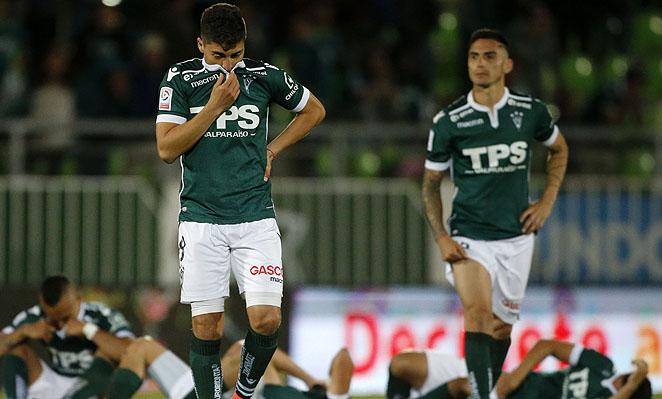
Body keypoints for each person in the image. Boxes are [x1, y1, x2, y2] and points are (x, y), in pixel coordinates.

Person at [154, 3, 325, 399]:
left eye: (235, 55)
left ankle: (243, 394)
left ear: (244, 46)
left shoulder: (264, 76)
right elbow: (166, 148)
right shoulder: (179, 79)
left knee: (266, 320)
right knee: (208, 328)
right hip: (201, 218)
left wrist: (274, 147)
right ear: (201, 45)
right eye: (218, 56)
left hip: (255, 217)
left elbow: (314, 110)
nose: (228, 65)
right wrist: (214, 106)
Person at [421, 28, 568, 399]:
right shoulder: (449, 121)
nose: (480, 63)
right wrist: (441, 236)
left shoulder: (529, 112)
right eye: (474, 57)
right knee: (479, 315)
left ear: (507, 64)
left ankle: (480, 389)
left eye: (489, 56)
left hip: (517, 237)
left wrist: (547, 200)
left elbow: (560, 150)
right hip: (469, 235)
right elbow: (429, 184)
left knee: (502, 329)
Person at [0, 274, 134, 399]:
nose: (60, 324)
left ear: (78, 299)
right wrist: (22, 332)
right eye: (53, 318)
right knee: (16, 349)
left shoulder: (103, 316)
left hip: (92, 386)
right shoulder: (35, 316)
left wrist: (89, 330)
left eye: (66, 317)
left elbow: (133, 354)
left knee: (108, 355)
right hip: (52, 383)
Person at [386, 339, 651, 399]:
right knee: (401, 365)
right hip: (505, 380)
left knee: (462, 387)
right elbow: (548, 345)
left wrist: (635, 380)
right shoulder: (603, 366)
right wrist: (515, 377)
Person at [105, 338, 353, 399]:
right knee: (141, 347)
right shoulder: (284, 391)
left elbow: (344, 358)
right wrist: (312, 381)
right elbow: (343, 358)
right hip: (198, 391)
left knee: (244, 352)